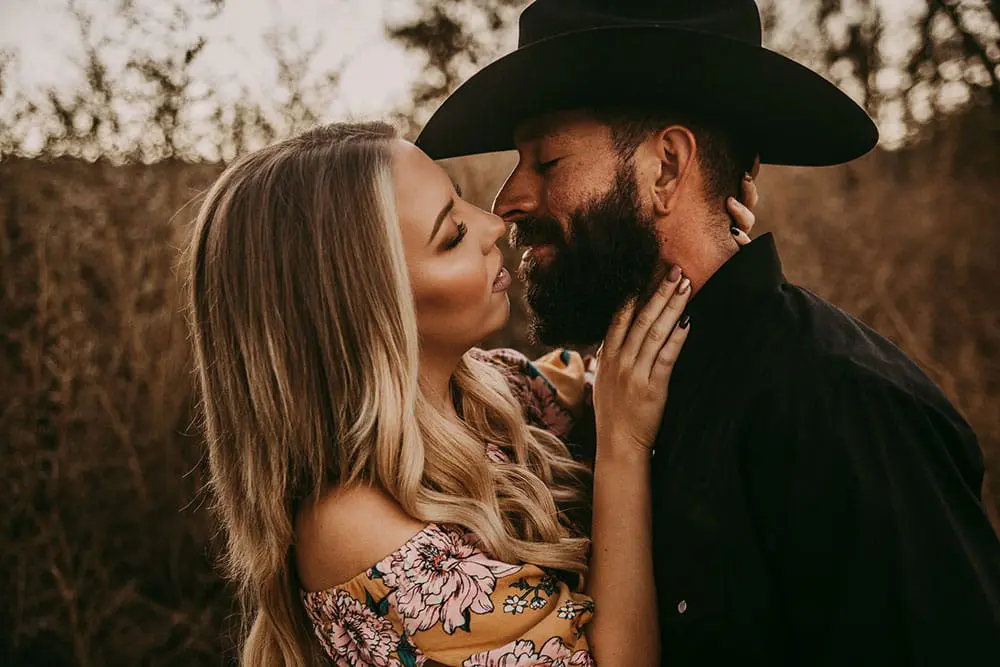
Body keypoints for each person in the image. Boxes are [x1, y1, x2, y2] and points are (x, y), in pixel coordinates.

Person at [416, 0, 1000, 664]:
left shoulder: (837, 402)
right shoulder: (602, 400)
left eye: (546, 161)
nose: (507, 200)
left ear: (665, 168)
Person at [183, 121, 758, 666]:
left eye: (460, 203)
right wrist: (623, 450)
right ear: (366, 314)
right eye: (452, 235)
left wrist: (691, 246)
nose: (491, 225)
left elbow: (628, 381)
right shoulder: (356, 528)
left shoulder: (491, 390)